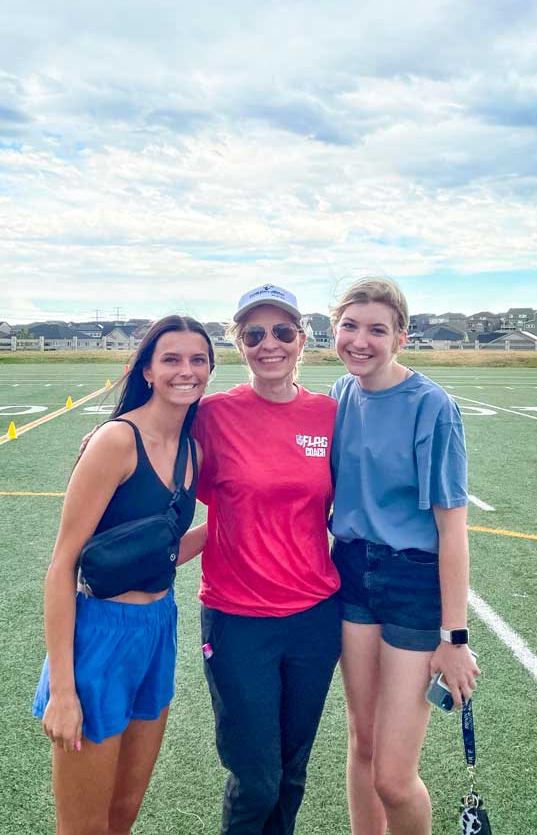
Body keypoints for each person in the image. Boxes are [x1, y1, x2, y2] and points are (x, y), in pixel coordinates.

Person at [32, 315, 214, 835]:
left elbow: (157, 555)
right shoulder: (116, 441)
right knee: (83, 827)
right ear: (148, 371)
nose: (187, 370)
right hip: (98, 638)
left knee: (123, 814)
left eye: (198, 360)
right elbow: (62, 566)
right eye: (172, 359)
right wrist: (64, 692)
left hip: (157, 631)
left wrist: (237, 524)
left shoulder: (192, 451)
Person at [328, 278, 480, 835]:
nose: (360, 341)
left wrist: (454, 636)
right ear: (333, 330)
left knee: (393, 775)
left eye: (377, 329)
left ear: (401, 337)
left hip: (411, 583)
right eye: (350, 326)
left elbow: (453, 531)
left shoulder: (432, 407)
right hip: (348, 571)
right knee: (362, 742)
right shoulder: (339, 396)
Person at [193, 284, 342, 835]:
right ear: (239, 343)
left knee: (291, 773)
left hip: (314, 618)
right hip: (237, 621)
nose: (269, 344)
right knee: (255, 778)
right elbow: (162, 456)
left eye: (282, 332)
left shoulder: (329, 414)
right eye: (254, 334)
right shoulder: (214, 415)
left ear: (303, 339)